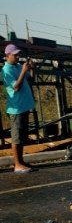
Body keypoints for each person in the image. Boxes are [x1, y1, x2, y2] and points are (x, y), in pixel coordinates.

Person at [2, 44, 35, 173]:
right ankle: (17, 165)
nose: (17, 57)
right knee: (16, 137)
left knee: (22, 137)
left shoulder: (18, 66)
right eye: (15, 55)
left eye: (18, 54)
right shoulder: (6, 70)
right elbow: (16, 87)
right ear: (7, 55)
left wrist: (32, 68)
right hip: (16, 108)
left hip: (24, 106)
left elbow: (31, 79)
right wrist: (23, 71)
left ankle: (21, 162)